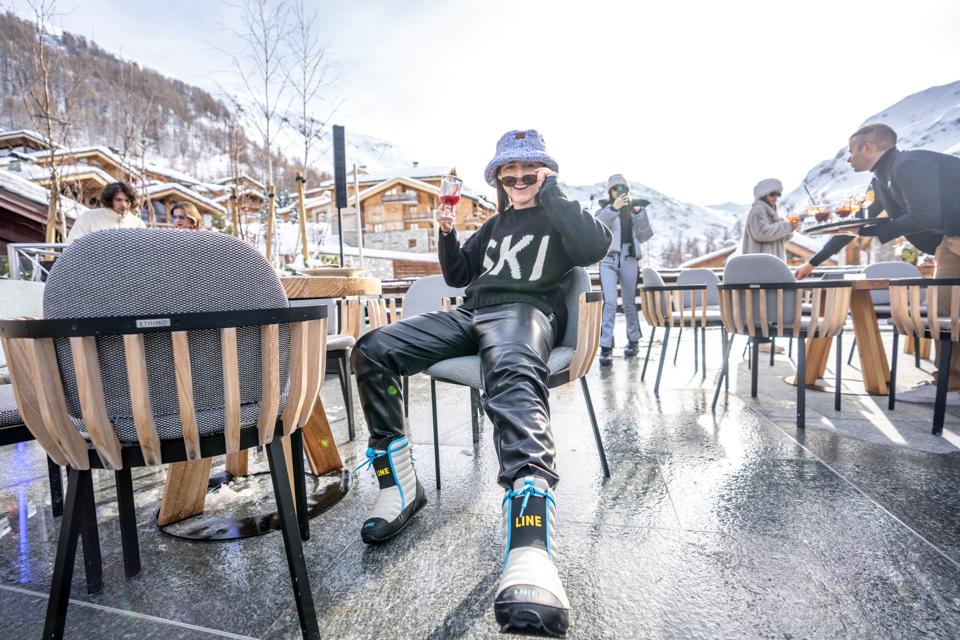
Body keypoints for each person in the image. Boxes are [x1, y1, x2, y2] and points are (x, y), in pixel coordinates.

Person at [351, 129, 611, 636]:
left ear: (545, 172)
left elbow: (593, 246)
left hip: (526, 313)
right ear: (497, 178)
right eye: (508, 173)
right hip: (471, 314)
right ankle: (400, 484)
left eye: (528, 172)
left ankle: (531, 542)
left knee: (511, 375)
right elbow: (458, 274)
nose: (518, 180)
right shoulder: (493, 224)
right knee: (374, 350)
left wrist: (553, 192)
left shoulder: (560, 216)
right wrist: (446, 232)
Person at [795, 123, 960, 403]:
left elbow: (925, 216)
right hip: (951, 243)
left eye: (851, 151)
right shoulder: (880, 181)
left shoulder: (910, 165)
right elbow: (858, 225)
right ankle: (951, 385)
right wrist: (813, 262)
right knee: (943, 313)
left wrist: (868, 231)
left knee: (945, 315)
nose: (848, 159)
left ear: (868, 148)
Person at [594, 174, 653, 366]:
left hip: (629, 257)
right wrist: (613, 209)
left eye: (622, 189)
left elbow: (645, 236)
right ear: (610, 191)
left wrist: (639, 214)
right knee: (609, 303)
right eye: (615, 189)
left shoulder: (636, 209)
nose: (619, 192)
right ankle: (606, 347)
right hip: (608, 259)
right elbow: (597, 228)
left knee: (629, 303)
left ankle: (634, 341)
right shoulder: (604, 208)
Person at [741, 178, 800, 261]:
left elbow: (777, 238)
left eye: (778, 194)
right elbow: (761, 233)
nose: (776, 197)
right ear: (763, 195)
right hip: (761, 264)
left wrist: (790, 228)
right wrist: (786, 226)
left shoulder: (772, 211)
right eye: (772, 194)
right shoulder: (758, 209)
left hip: (769, 263)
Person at [66, 182, 145, 241]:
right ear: (110, 200)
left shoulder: (138, 224)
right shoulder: (88, 218)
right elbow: (71, 246)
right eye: (119, 200)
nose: (123, 205)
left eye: (127, 201)